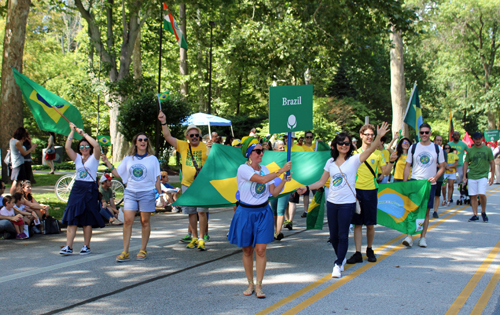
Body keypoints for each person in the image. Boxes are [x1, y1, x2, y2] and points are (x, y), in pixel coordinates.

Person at [297, 122, 390, 278]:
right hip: (333, 203)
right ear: (335, 145)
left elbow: (372, 148)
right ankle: (340, 258)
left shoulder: (355, 160)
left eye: (347, 143)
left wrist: (379, 135)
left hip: (348, 203)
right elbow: (321, 182)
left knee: (342, 234)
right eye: (340, 143)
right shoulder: (330, 163)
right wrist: (306, 188)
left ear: (350, 145)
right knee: (333, 236)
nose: (344, 145)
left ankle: (338, 263)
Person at [228, 137, 292, 298]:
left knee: (261, 250)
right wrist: (281, 170)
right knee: (247, 250)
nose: (261, 153)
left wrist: (283, 180)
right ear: (250, 154)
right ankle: (250, 283)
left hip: (263, 212)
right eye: (257, 151)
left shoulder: (264, 168)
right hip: (245, 213)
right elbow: (262, 180)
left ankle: (259, 285)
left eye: (261, 150)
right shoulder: (243, 169)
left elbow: (274, 192)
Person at [102, 133, 163, 261]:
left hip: (147, 192)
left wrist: (161, 196)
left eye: (145, 140)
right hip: (130, 192)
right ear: (135, 143)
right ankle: (125, 251)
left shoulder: (153, 159)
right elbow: (118, 174)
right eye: (140, 140)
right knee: (128, 220)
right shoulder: (129, 158)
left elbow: (157, 179)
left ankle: (143, 249)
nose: (143, 142)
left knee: (144, 221)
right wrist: (107, 162)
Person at [159, 111, 211, 250]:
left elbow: (214, 162)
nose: (194, 137)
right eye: (191, 135)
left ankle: (201, 238)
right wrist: (163, 121)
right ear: (187, 137)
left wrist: (212, 148)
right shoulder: (182, 145)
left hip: (202, 186)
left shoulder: (206, 146)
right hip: (187, 185)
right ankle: (194, 237)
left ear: (199, 136)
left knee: (202, 212)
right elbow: (167, 136)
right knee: (191, 212)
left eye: (196, 135)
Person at [346, 124, 391, 264]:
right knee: (357, 224)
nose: (370, 137)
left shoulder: (378, 154)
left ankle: (370, 249)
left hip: (371, 191)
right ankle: (358, 253)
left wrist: (392, 162)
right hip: (356, 192)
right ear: (361, 136)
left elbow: (387, 172)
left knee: (370, 224)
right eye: (367, 134)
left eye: (372, 135)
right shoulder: (354, 154)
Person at [60, 123, 104, 256]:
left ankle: (86, 246)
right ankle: (68, 246)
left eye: (86, 146)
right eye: (81, 146)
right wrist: (72, 131)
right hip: (78, 187)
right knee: (72, 216)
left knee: (87, 218)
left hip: (90, 188)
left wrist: (83, 134)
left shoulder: (94, 158)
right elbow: (67, 147)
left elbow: (97, 145)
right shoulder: (77, 158)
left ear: (89, 148)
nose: (84, 148)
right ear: (79, 148)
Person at [402, 123, 446, 248]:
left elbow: (443, 166)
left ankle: (422, 237)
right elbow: (407, 166)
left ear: (430, 133)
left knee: (426, 212)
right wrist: (405, 184)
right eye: (422, 132)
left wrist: (436, 177)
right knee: (412, 210)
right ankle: (409, 236)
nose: (424, 135)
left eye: (427, 132)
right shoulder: (413, 147)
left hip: (429, 184)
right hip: (415, 182)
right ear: (419, 134)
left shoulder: (437, 148)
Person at [463, 132, 494, 223]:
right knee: (473, 196)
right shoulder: (470, 150)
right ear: (473, 139)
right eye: (476, 139)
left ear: (481, 139)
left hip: (483, 175)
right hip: (472, 175)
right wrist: (464, 176)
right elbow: (466, 163)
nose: (477, 140)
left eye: (479, 139)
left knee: (482, 194)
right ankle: (475, 214)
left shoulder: (487, 149)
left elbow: (492, 162)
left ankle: (483, 212)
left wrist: (492, 176)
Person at [269, 140, 289, 241]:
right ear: (274, 149)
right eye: (280, 148)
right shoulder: (270, 159)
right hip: (273, 187)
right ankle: (275, 230)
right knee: (274, 210)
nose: (282, 149)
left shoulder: (288, 158)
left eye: (283, 147)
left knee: (280, 210)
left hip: (285, 187)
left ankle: (278, 232)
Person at [10, 127, 37, 195]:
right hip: (19, 163)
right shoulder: (17, 142)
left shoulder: (12, 140)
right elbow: (23, 153)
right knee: (17, 182)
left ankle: (15, 196)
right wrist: (32, 148)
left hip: (16, 163)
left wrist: (29, 141)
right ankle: (14, 197)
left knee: (17, 181)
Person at [432, 136, 447, 219]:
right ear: (434, 141)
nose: (438, 142)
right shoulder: (429, 150)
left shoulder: (443, 152)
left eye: (440, 140)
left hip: (439, 177)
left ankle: (435, 211)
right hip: (429, 176)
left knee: (437, 195)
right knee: (428, 194)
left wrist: (437, 164)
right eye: (437, 140)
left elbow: (444, 165)